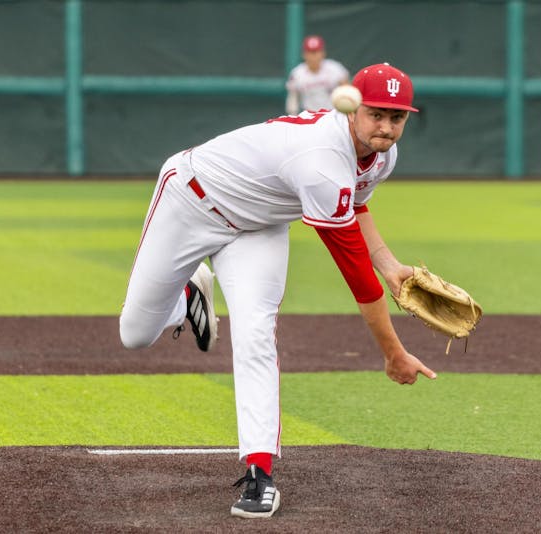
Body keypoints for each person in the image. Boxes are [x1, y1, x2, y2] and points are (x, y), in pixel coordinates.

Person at [119, 63, 436, 519]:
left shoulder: (382, 155)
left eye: (398, 117)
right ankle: (189, 296)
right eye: (377, 114)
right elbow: (356, 278)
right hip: (191, 201)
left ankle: (259, 473)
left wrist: (390, 265)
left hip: (259, 230)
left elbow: (358, 202)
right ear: (353, 111)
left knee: (255, 335)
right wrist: (393, 352)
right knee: (135, 334)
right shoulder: (321, 162)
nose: (386, 127)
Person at [285, 34, 350, 114]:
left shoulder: (335, 69)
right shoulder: (297, 73)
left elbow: (347, 92)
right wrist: (293, 115)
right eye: (310, 52)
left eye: (316, 52)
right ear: (304, 54)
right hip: (310, 116)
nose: (313, 56)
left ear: (323, 53)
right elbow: (293, 99)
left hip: (333, 114)